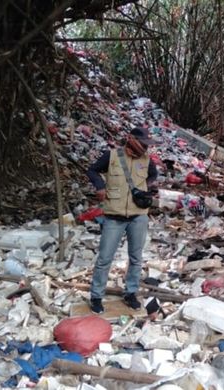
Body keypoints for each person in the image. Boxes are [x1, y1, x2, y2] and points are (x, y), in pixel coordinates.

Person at [86, 127, 158, 314]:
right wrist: (100, 186)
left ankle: (130, 293)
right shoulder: (111, 156)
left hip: (138, 215)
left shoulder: (147, 160)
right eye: (142, 143)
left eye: (146, 145)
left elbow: (153, 175)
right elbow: (92, 170)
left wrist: (146, 188)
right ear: (131, 139)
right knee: (104, 259)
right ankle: (96, 296)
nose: (145, 148)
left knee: (136, 258)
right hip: (114, 216)